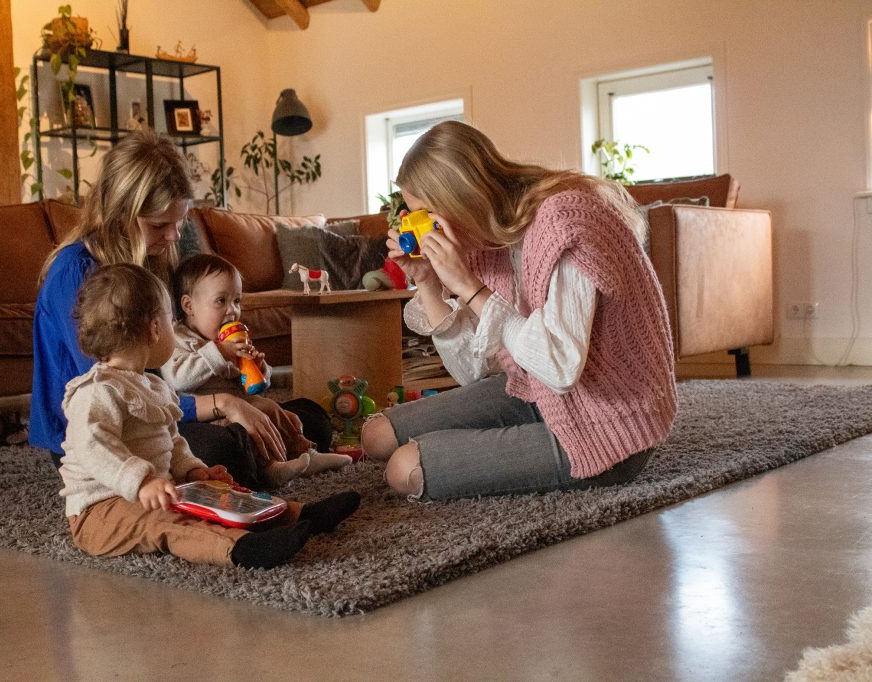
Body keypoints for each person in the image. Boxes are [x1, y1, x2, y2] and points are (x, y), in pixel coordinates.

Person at [361, 121, 677, 501]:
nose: (426, 229)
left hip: (607, 422)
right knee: (376, 435)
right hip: (536, 393)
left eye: (427, 214)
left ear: (460, 196)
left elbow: (560, 367)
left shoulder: (565, 219)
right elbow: (471, 373)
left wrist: (469, 288)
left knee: (404, 468)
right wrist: (428, 283)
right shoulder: (480, 239)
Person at [29, 129, 324, 472]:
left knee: (310, 420)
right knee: (224, 452)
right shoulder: (75, 273)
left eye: (180, 222)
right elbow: (114, 390)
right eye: (158, 225)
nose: (172, 237)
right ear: (119, 212)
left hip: (158, 408)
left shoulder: (152, 258)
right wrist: (221, 404)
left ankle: (263, 446)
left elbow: (174, 358)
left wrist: (234, 382)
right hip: (102, 430)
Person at [60, 264, 360, 569]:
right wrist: (141, 481)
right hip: (99, 510)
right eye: (170, 318)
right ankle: (241, 549)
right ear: (154, 329)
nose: (172, 325)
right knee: (167, 523)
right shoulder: (96, 390)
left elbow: (172, 441)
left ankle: (295, 514)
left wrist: (192, 471)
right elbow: (92, 448)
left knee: (218, 497)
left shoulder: (152, 385)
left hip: (151, 489)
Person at [162, 254, 352, 487]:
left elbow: (254, 386)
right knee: (241, 432)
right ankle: (270, 469)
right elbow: (178, 379)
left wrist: (259, 368)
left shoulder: (232, 340)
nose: (232, 311)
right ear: (188, 306)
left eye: (237, 301)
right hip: (207, 420)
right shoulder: (178, 339)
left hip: (244, 406)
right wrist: (219, 353)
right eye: (221, 301)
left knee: (273, 406)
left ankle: (304, 451)